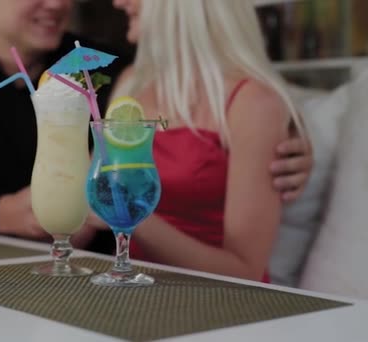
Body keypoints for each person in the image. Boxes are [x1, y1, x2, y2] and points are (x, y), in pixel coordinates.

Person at [0, 0, 312, 253]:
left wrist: (292, 138)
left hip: (94, 266)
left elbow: (203, 94)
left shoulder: (98, 66)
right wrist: (5, 213)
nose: (58, 4)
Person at [101, 0, 313, 281]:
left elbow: (245, 271)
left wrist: (127, 216)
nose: (119, 2)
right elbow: (86, 211)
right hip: (135, 294)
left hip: (220, 303)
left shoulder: (253, 102)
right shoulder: (130, 83)